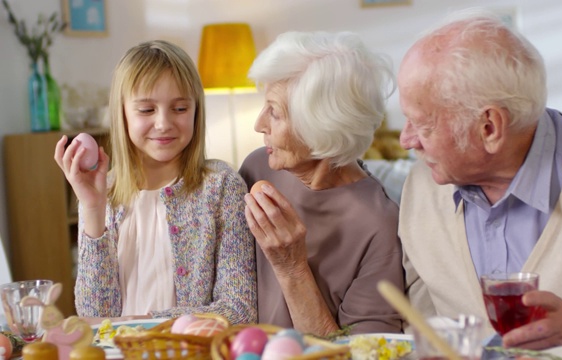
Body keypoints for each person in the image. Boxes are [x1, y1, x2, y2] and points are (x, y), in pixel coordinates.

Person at [397, 10, 562, 349]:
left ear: (489, 127)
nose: (406, 141)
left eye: (422, 125)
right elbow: (417, 325)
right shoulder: (423, 186)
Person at [54, 40, 257, 324]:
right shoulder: (105, 193)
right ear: (121, 113)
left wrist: (144, 323)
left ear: (196, 110)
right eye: (147, 110)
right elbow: (93, 315)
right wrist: (92, 208)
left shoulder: (221, 187)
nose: (163, 123)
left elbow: (239, 309)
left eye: (180, 108)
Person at [239, 31, 404, 336]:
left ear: (320, 128)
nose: (259, 124)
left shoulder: (379, 226)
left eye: (274, 112)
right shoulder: (257, 168)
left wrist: (293, 269)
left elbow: (361, 355)